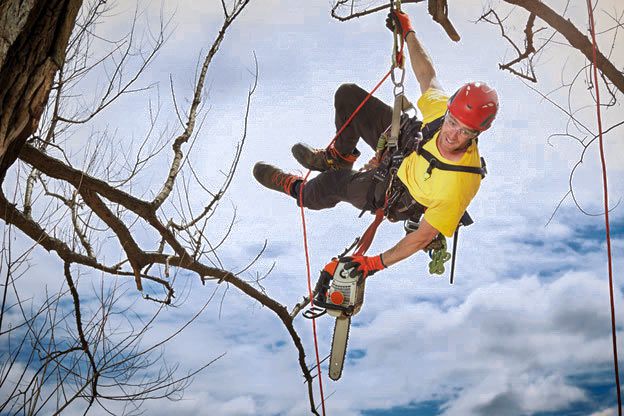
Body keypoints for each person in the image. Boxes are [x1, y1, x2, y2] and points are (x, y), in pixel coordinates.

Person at [252, 10, 499, 280]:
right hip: (408, 143)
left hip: (398, 191)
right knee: (348, 97)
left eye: (465, 132)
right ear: (449, 110)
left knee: (327, 186)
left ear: (477, 133)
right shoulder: (442, 112)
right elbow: (426, 73)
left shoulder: (460, 184)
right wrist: (408, 32)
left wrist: (374, 263)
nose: (452, 134)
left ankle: (296, 189)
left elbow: (421, 237)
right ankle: (339, 156)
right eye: (452, 122)